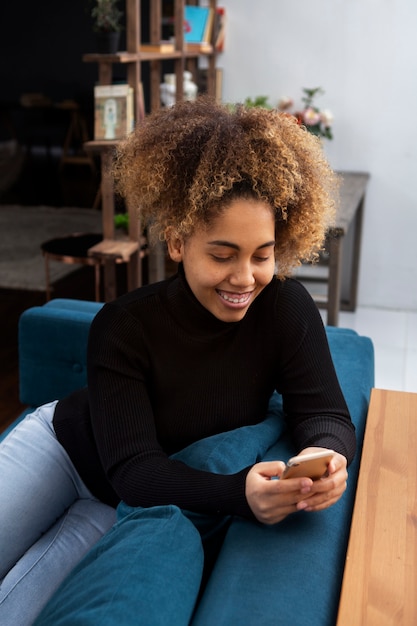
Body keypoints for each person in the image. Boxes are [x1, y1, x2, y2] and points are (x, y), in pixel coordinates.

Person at [0, 97, 354, 625]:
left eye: (262, 254)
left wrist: (326, 460)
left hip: (113, 501)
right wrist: (237, 493)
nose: (245, 278)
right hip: (63, 448)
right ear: (178, 241)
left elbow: (326, 414)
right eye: (222, 254)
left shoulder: (286, 308)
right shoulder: (124, 325)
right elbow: (135, 465)